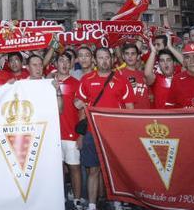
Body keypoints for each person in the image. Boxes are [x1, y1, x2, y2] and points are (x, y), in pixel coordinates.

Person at [75, 47, 134, 210]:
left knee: (115, 170)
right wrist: (78, 102)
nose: (104, 61)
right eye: (100, 58)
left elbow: (130, 108)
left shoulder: (122, 80)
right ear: (95, 60)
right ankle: (93, 205)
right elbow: (78, 102)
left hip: (116, 134)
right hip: (92, 133)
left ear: (112, 59)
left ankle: (117, 202)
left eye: (107, 57)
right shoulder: (86, 79)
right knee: (93, 170)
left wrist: (127, 132)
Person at [53, 53, 83, 208]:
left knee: (74, 167)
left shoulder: (76, 83)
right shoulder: (48, 83)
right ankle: (60, 198)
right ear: (55, 63)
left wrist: (81, 135)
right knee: (57, 170)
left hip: (71, 133)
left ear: (71, 64)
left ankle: (77, 200)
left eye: (67, 61)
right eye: (61, 60)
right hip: (52, 135)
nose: (64, 63)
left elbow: (82, 110)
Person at [144, 44, 178, 109]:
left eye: (168, 60)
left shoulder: (179, 75)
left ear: (174, 63)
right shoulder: (156, 78)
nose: (165, 63)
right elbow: (147, 74)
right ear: (159, 64)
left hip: (177, 117)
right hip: (160, 117)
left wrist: (170, 47)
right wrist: (153, 52)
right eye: (162, 61)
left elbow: (186, 64)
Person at [119, 43, 152, 109]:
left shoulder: (143, 75)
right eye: (127, 54)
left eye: (133, 54)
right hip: (129, 116)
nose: (130, 56)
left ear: (138, 56)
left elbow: (150, 97)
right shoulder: (118, 74)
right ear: (123, 56)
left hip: (145, 116)